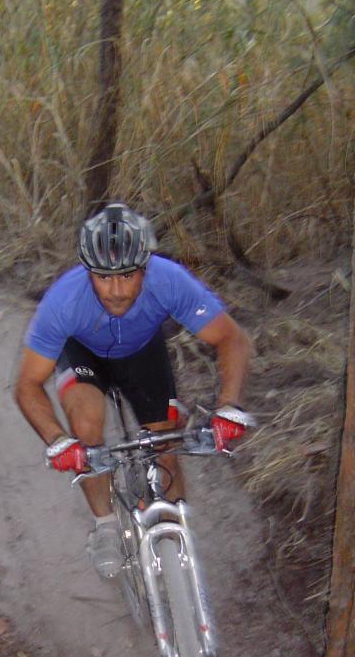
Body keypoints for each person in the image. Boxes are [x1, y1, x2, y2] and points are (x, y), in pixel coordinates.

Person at [14, 203, 254, 579]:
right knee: (86, 428)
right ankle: (105, 525)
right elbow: (27, 385)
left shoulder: (170, 281)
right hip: (83, 356)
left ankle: (175, 542)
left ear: (146, 266)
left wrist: (229, 407)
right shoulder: (63, 301)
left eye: (127, 276)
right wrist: (58, 440)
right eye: (103, 277)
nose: (116, 291)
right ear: (88, 272)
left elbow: (231, 339)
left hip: (143, 353)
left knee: (166, 442)